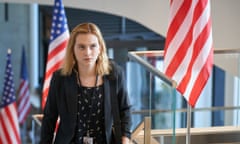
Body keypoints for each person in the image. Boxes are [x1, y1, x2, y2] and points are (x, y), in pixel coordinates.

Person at [40, 22, 132, 144]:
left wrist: (125, 139)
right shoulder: (60, 78)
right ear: (73, 49)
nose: (87, 53)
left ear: (100, 48)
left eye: (92, 46)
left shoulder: (114, 74)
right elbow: (49, 118)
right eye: (81, 47)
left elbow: (125, 110)